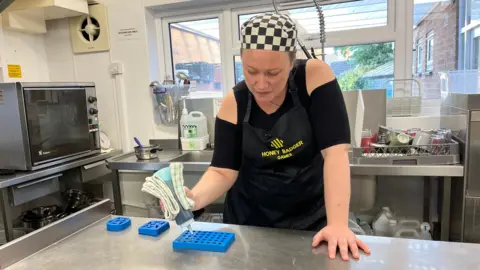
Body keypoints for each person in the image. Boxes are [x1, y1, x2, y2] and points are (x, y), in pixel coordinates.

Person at [184, 13, 370, 260]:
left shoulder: (314, 78)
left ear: (292, 63)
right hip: (250, 227)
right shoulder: (234, 102)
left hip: (313, 221)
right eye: (251, 71)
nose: (261, 84)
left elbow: (335, 153)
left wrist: (337, 225)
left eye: (273, 73)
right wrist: (193, 199)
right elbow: (222, 171)